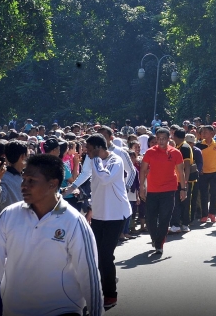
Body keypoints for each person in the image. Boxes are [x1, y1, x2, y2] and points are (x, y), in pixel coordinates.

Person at [0, 154, 103, 316]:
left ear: (53, 184)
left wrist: (95, 312)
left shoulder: (74, 222)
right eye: (24, 179)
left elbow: (89, 273)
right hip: (15, 310)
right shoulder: (8, 215)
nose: (23, 185)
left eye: (32, 181)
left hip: (62, 310)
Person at [84, 133, 131, 310]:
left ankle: (111, 294)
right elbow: (90, 181)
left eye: (89, 149)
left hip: (116, 215)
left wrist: (95, 159)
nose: (86, 153)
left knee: (105, 255)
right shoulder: (91, 160)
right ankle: (105, 280)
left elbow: (104, 179)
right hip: (98, 215)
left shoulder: (115, 161)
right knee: (96, 255)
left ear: (98, 148)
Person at [139, 128, 186, 254]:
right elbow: (143, 170)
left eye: (163, 138)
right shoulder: (150, 152)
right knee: (150, 218)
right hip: (152, 190)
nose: (161, 141)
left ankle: (159, 243)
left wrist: (183, 189)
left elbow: (181, 172)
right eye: (158, 138)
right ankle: (155, 238)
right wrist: (141, 188)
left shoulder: (175, 153)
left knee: (165, 217)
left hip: (169, 189)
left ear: (168, 139)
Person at [0, 140, 28, 221]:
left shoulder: (26, 177)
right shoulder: (3, 177)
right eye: (28, 155)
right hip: (8, 228)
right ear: (22, 157)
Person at [195, 125, 216, 223]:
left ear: (212, 134)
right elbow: (196, 159)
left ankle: (212, 213)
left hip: (214, 172)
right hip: (203, 173)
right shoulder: (198, 145)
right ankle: (204, 215)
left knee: (214, 194)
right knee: (204, 194)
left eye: (206, 132)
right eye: (202, 132)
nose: (203, 134)